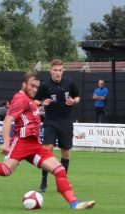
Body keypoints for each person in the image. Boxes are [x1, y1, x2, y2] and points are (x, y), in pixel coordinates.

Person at [0, 72, 95, 210]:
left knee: (59, 170)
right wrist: (6, 143)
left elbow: (29, 113)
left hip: (34, 145)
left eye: (37, 86)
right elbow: (8, 120)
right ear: (24, 84)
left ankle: (74, 203)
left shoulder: (29, 100)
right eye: (32, 85)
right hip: (22, 143)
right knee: (5, 171)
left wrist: (40, 105)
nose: (35, 89)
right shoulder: (20, 98)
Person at [34, 59, 80, 193]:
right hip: (51, 121)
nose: (57, 73)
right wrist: (42, 103)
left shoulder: (69, 83)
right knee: (47, 150)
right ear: (50, 71)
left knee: (65, 152)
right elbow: (35, 100)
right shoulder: (45, 85)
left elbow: (77, 96)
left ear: (63, 71)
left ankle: (62, 182)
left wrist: (74, 101)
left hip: (66, 122)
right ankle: (44, 180)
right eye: (55, 70)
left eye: (60, 70)